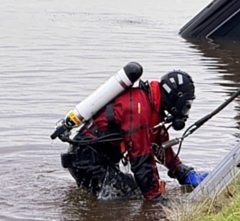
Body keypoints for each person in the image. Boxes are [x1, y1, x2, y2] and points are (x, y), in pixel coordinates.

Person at [61, 70, 209, 201]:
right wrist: (156, 200)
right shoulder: (139, 109)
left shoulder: (152, 107)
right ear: (175, 99)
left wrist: (184, 174)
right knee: (129, 195)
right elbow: (141, 159)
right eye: (186, 105)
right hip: (85, 160)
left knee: (132, 191)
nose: (185, 112)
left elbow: (162, 148)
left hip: (97, 158)